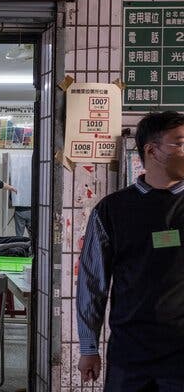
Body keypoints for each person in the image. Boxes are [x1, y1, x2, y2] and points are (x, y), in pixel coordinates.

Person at [77, 111, 184, 391]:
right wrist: (89, 347)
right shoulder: (112, 209)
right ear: (152, 150)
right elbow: (92, 281)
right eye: (179, 143)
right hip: (130, 351)